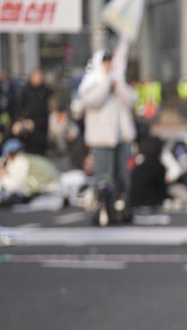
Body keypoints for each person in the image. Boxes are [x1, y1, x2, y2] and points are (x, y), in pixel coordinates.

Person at [78, 49, 137, 215]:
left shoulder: (118, 80)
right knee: (104, 177)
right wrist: (106, 83)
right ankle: (103, 210)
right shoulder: (92, 81)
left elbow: (132, 100)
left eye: (110, 61)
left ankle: (122, 209)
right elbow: (92, 101)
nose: (109, 65)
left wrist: (118, 85)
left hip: (121, 138)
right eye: (106, 62)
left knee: (123, 177)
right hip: (101, 140)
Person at [0, 137, 61, 207]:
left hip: (49, 188)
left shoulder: (21, 161)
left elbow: (14, 185)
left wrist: (2, 174)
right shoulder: (24, 158)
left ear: (11, 154)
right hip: (52, 184)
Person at [13, 68, 52, 156]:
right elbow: (20, 108)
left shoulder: (45, 91)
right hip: (28, 127)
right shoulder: (26, 91)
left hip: (41, 127)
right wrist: (21, 121)